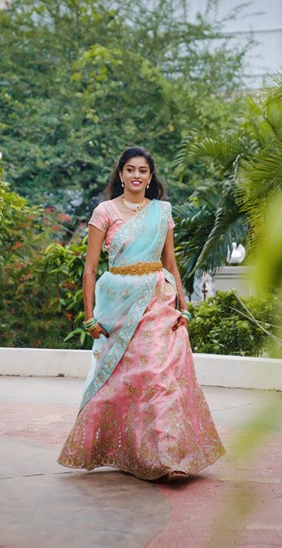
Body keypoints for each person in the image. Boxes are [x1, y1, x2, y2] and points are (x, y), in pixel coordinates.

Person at [57, 146, 226, 481]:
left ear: (151, 177)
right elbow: (90, 270)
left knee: (159, 376)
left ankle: (168, 458)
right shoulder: (104, 212)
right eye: (130, 169)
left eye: (143, 171)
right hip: (117, 304)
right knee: (126, 382)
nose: (136, 175)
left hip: (158, 299)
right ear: (120, 175)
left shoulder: (162, 212)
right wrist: (89, 316)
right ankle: (131, 451)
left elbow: (172, 265)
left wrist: (184, 308)